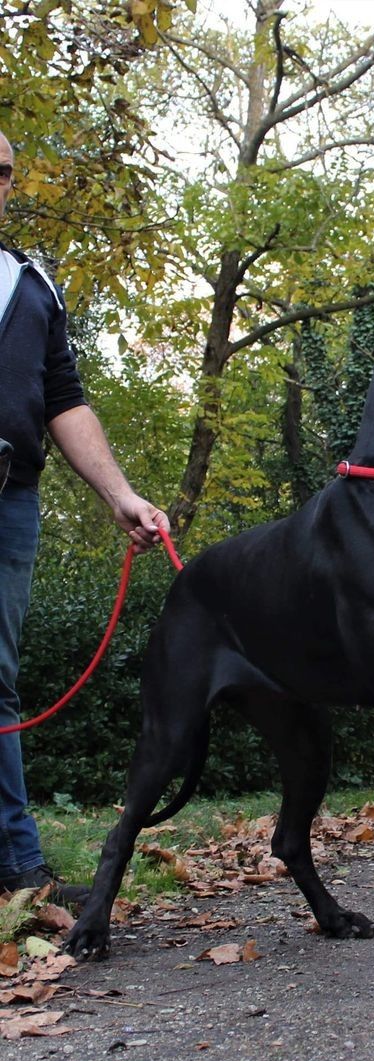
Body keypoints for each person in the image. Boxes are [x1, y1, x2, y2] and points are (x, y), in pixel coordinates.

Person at [0, 130, 170, 906]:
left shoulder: (32, 286)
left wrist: (121, 495)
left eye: (4, 171)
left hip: (9, 499)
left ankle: (18, 872)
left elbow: (64, 400)